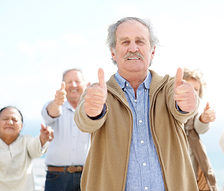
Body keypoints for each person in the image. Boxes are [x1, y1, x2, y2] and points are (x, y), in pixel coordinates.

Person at [74, 17, 200, 191]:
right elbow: (83, 120)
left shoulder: (169, 87)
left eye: (140, 41)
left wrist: (187, 102)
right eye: (125, 42)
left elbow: (182, 107)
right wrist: (94, 111)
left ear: (153, 51)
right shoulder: (97, 92)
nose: (133, 48)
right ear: (113, 52)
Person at [41, 69, 91, 191]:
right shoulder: (53, 106)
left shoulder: (92, 109)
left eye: (77, 81)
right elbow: (52, 112)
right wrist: (57, 102)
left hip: (87, 176)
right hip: (57, 178)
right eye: (69, 81)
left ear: (85, 84)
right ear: (62, 85)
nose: (73, 85)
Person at [0, 106, 53, 191]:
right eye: (5, 118)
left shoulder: (26, 141)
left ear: (21, 126)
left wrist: (43, 138)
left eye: (14, 120)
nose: (10, 122)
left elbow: (35, 147)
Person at [183, 67, 218, 191]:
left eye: (195, 89)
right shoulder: (167, 112)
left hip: (192, 181)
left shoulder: (194, 115)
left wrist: (204, 118)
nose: (191, 92)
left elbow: (199, 126)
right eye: (187, 87)